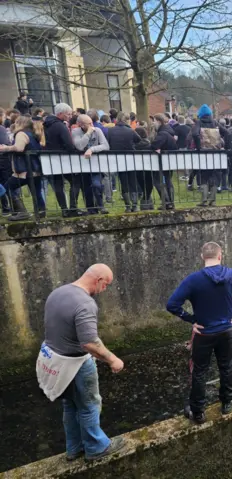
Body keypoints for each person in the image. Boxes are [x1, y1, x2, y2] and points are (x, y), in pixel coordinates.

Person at [39, 264, 126, 461]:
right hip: (75, 363)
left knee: (70, 405)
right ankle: (96, 448)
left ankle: (74, 449)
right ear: (99, 280)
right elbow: (89, 342)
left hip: (54, 361)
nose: (105, 290)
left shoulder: (57, 293)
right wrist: (113, 359)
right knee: (89, 405)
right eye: (106, 285)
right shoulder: (85, 303)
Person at [166, 242, 232, 421]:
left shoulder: (193, 279)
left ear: (202, 257)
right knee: (226, 366)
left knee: (200, 371)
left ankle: (198, 412)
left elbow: (172, 305)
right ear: (220, 255)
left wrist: (192, 320)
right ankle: (227, 402)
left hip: (204, 333)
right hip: (227, 330)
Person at [0, 116, 47, 220]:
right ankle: (41, 212)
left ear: (19, 123)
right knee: (36, 191)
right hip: (35, 168)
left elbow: (19, 148)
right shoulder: (33, 133)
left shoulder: (21, 133)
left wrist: (5, 148)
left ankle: (22, 212)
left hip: (24, 169)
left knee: (8, 187)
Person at [45, 103, 86, 217]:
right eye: (68, 114)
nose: (70, 116)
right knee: (76, 181)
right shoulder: (60, 126)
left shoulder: (46, 124)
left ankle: (64, 209)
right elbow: (68, 144)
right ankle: (72, 208)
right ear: (60, 114)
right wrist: (75, 151)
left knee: (58, 184)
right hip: (64, 159)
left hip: (51, 159)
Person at [72, 114, 110, 215]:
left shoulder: (97, 130)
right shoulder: (75, 132)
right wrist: (88, 133)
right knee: (86, 188)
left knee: (96, 184)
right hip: (82, 165)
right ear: (80, 124)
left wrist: (91, 149)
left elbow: (105, 146)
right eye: (88, 124)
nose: (91, 125)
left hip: (96, 164)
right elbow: (80, 146)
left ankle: (101, 206)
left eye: (91, 123)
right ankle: (91, 209)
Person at [107, 112, 142, 212]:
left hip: (118, 159)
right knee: (133, 181)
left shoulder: (110, 131)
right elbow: (138, 139)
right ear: (127, 120)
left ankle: (127, 206)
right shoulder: (130, 130)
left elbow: (108, 143)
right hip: (131, 158)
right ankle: (135, 205)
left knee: (123, 182)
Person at [150, 114, 178, 210]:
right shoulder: (169, 131)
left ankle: (166, 201)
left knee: (158, 181)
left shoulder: (163, 133)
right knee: (168, 181)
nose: (153, 123)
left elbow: (153, 145)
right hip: (169, 160)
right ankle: (170, 202)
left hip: (163, 160)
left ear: (158, 121)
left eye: (154, 121)